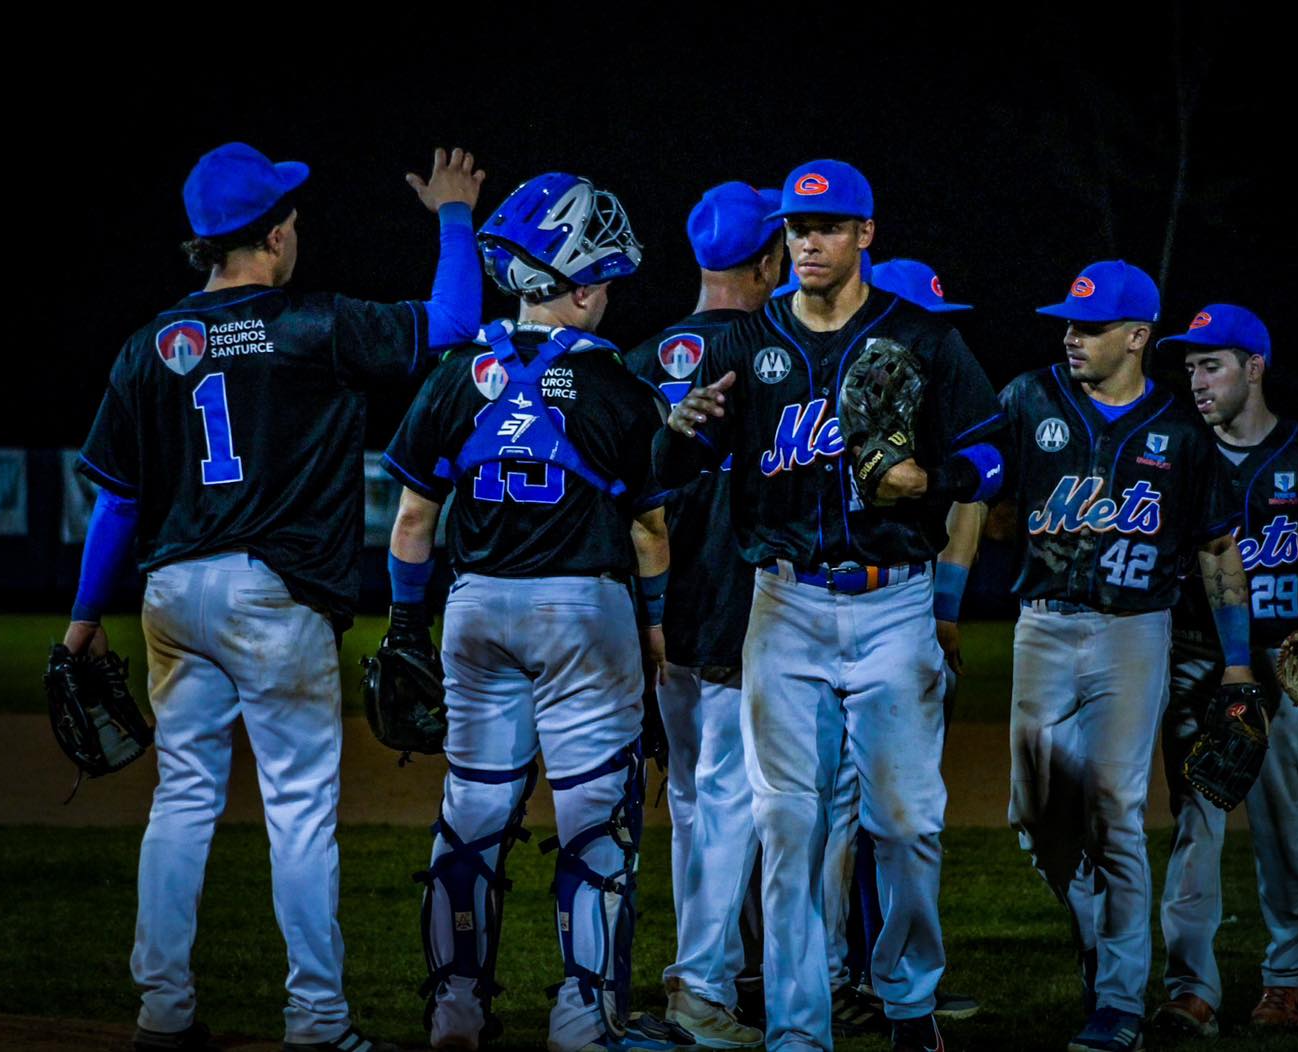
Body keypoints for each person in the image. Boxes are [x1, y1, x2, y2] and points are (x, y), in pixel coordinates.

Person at [63, 141, 486, 1052]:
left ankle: (163, 1012)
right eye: (290, 217)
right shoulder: (315, 322)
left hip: (172, 592)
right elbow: (453, 323)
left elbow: (118, 502)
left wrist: (83, 619)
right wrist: (454, 214)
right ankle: (318, 1022)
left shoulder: (150, 347)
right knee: (298, 813)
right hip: (276, 594)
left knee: (181, 802)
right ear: (275, 233)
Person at [654, 160, 1007, 1052]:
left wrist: (941, 477)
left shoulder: (922, 339)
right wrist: (679, 430)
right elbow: (665, 473)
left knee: (906, 824)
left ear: (865, 235)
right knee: (786, 826)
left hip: (894, 604)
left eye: (828, 227)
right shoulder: (748, 341)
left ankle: (907, 997)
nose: (808, 242)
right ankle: (798, 1030)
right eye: (797, 229)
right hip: (785, 603)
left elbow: (996, 458)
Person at [380, 171, 681, 1052]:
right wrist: (657, 624)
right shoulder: (619, 386)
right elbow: (651, 533)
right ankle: (583, 1017)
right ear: (581, 283)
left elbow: (411, 520)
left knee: (471, 816)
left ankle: (456, 1012)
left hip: (474, 610)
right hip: (582, 611)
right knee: (595, 823)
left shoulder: (455, 374)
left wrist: (404, 625)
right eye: (606, 281)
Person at [998, 260, 1257, 1052]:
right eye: (1069, 324)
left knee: (1114, 815)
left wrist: (1240, 665)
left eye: (1091, 326)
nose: (1072, 337)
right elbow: (978, 490)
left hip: (1132, 633)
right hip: (1040, 625)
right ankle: (1103, 942)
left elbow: (1218, 550)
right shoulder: (1028, 398)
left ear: (1138, 337)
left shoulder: (1180, 435)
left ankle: (1118, 1002)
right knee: (1036, 820)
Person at [1151, 304, 1298, 1037]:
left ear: (1255, 367)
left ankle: (1288, 979)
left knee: (1286, 828)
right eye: (1189, 366)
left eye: (1211, 363)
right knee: (1197, 823)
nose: (1196, 379)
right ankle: (1193, 986)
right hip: (1195, 662)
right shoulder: (1175, 454)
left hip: (1286, 668)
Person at [623, 181, 785, 1049]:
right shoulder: (772, 350)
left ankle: (702, 966)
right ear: (768, 259)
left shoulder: (638, 359)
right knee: (732, 802)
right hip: (743, 606)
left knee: (691, 801)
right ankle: (705, 985)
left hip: (660, 616)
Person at [820, 260, 983, 1030]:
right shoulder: (828, 381)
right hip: (828, 606)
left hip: (903, 604)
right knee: (833, 814)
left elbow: (970, 504)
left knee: (894, 814)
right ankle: (838, 976)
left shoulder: (937, 390)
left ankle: (880, 978)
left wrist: (944, 614)